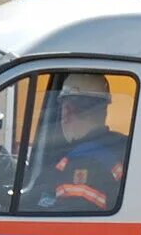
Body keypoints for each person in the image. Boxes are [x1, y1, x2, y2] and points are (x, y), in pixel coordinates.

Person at [18, 72, 128, 213]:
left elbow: (67, 227)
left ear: (68, 111)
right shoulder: (124, 146)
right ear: (104, 111)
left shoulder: (80, 164)